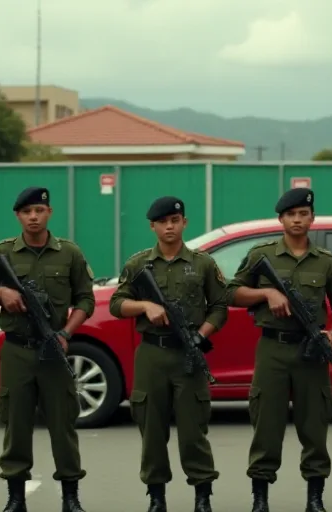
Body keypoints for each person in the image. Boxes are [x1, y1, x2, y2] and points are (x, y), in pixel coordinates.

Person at [227, 188, 332, 512]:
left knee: (314, 428)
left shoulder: (326, 262)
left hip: (311, 353)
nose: (298, 220)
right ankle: (260, 499)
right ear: (281, 218)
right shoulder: (262, 255)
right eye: (291, 214)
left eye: (303, 214)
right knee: (266, 427)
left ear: (312, 218)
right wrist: (266, 294)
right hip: (273, 349)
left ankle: (315, 499)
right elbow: (232, 293)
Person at [0, 186, 96, 512]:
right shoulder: (3, 254)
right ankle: (15, 497)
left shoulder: (69, 253)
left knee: (63, 425)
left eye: (39, 211)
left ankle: (71, 497)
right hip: (17, 351)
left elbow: (86, 299)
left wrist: (67, 332)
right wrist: (0, 295)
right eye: (27, 212)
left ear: (49, 213)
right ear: (18, 216)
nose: (33, 217)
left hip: (54, 349)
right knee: (16, 424)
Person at [109, 196, 227, 512]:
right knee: (151, 430)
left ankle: (202, 496)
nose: (169, 226)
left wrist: (202, 335)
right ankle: (156, 497)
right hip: (152, 355)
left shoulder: (203, 263)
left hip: (189, 355)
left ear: (184, 223)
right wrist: (145, 305)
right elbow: (117, 304)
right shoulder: (138, 265)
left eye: (175, 220)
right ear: (153, 226)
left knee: (193, 432)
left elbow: (219, 307)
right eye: (163, 222)